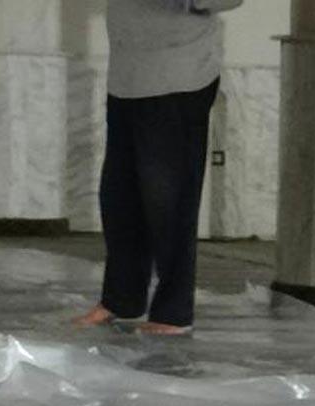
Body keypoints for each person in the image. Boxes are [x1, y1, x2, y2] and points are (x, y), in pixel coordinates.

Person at [74, 0, 245, 336]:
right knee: (119, 197)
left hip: (178, 77)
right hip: (127, 76)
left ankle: (173, 312)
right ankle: (121, 299)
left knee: (168, 198)